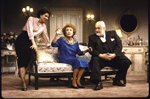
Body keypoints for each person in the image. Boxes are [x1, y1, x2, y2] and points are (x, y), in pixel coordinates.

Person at [15, 8, 51, 91]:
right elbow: (30, 31)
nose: (47, 18)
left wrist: (48, 45)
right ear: (41, 15)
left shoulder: (43, 26)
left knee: (33, 56)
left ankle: (24, 71)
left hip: (31, 42)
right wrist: (33, 43)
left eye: (48, 17)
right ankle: (23, 82)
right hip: (22, 40)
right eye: (45, 16)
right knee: (21, 60)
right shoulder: (31, 19)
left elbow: (45, 36)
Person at [88, 21, 132, 90]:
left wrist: (114, 55)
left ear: (104, 28)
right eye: (95, 28)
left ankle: (117, 80)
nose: (96, 30)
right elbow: (91, 50)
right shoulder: (91, 37)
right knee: (94, 59)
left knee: (126, 61)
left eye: (98, 28)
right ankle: (98, 82)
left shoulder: (113, 34)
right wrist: (101, 55)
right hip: (101, 59)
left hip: (113, 58)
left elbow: (119, 45)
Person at [51, 24, 92, 89]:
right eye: (67, 30)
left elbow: (79, 52)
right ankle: (74, 81)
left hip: (73, 58)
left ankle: (78, 80)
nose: (69, 31)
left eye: (70, 30)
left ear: (73, 32)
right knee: (77, 60)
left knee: (84, 60)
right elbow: (53, 44)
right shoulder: (61, 39)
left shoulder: (75, 42)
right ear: (65, 32)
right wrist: (56, 34)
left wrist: (87, 50)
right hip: (64, 58)